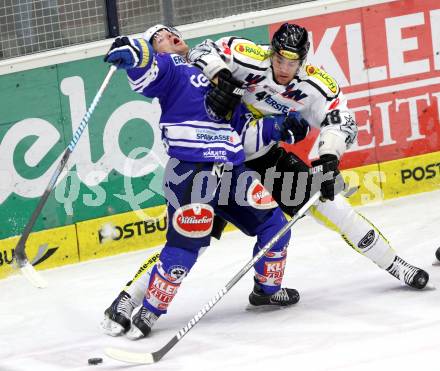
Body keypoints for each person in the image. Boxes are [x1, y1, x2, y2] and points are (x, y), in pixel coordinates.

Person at [102, 23, 429, 339]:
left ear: (304, 60)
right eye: (279, 58)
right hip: (224, 161)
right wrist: (222, 77)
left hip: (264, 161)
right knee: (189, 243)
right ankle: (130, 298)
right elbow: (199, 51)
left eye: (293, 61)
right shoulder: (244, 55)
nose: (284, 68)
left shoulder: (315, 84)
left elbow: (339, 117)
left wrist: (328, 156)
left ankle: (393, 264)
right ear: (270, 51)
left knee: (332, 208)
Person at [101, 25, 308, 340]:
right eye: (160, 38)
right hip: (192, 170)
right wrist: (134, 51)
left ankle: (267, 289)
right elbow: (146, 71)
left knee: (276, 225)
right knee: (188, 243)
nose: (171, 37)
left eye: (172, 32)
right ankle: (144, 308)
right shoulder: (171, 69)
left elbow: (243, 131)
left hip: (232, 172)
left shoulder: (220, 72)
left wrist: (277, 126)